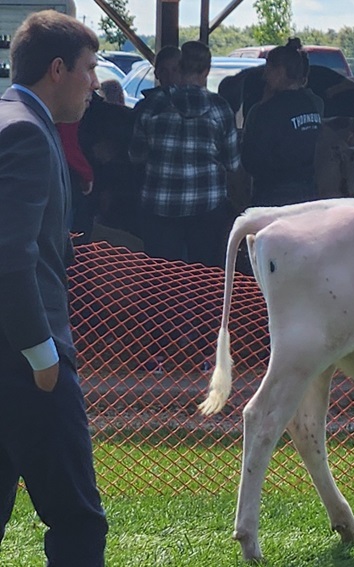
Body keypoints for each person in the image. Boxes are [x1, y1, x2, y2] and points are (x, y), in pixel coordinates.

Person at [0, 10, 108, 565]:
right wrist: (42, 354)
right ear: (58, 68)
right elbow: (10, 256)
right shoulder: (27, 131)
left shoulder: (9, 118)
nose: (95, 82)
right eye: (89, 68)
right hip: (25, 360)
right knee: (77, 519)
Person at [129, 40, 241, 267]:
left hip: (159, 206)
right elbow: (232, 163)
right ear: (207, 70)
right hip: (207, 206)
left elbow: (136, 155)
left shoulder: (153, 105)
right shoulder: (220, 108)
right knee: (204, 278)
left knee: (161, 279)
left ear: (178, 67)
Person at [241, 37, 324, 207]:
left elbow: (252, 159)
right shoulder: (313, 105)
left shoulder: (266, 111)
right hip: (308, 190)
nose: (265, 76)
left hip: (273, 194)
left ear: (280, 71)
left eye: (268, 70)